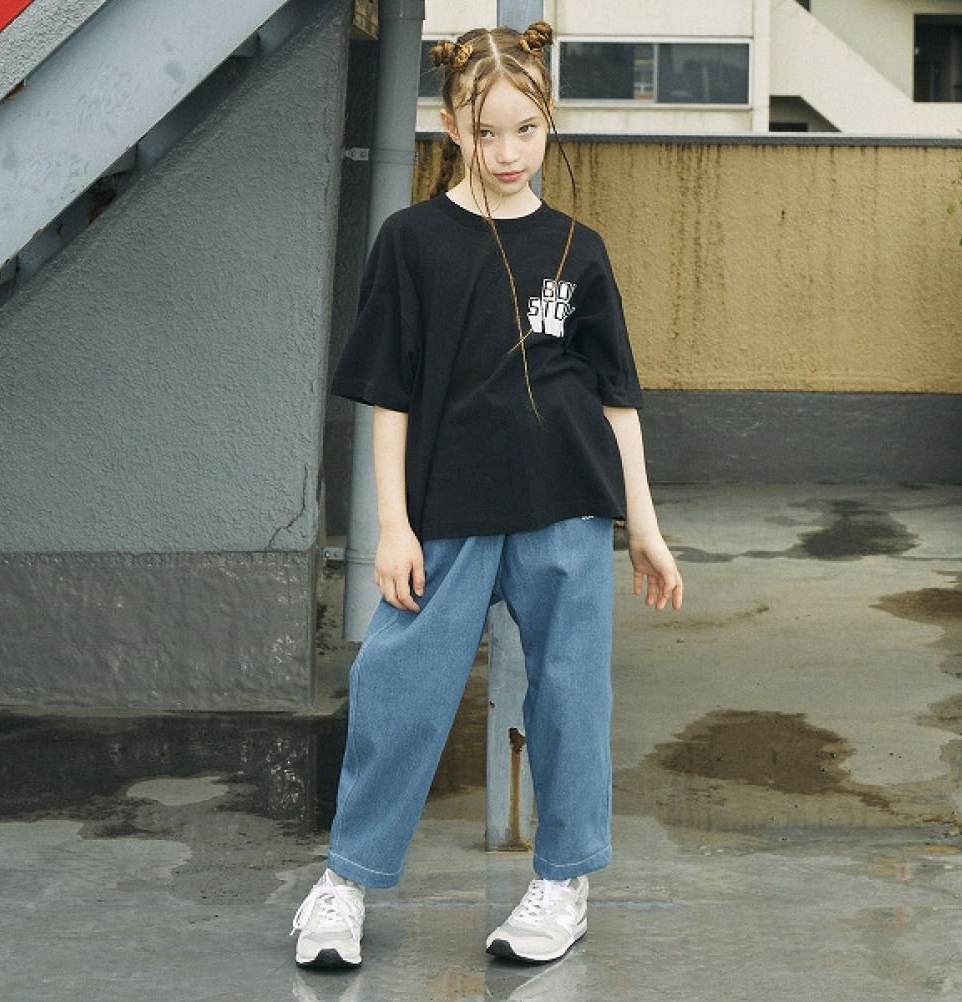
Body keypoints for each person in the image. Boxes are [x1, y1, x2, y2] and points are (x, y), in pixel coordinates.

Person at [291, 20, 683, 969]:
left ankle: (564, 883)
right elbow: (389, 394)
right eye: (486, 132)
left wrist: (643, 524)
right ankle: (345, 881)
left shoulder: (579, 249)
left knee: (571, 695)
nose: (508, 153)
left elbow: (616, 399)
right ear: (451, 127)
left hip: (567, 506)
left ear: (550, 123)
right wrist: (392, 525)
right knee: (398, 687)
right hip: (447, 513)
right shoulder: (412, 241)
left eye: (526, 130)